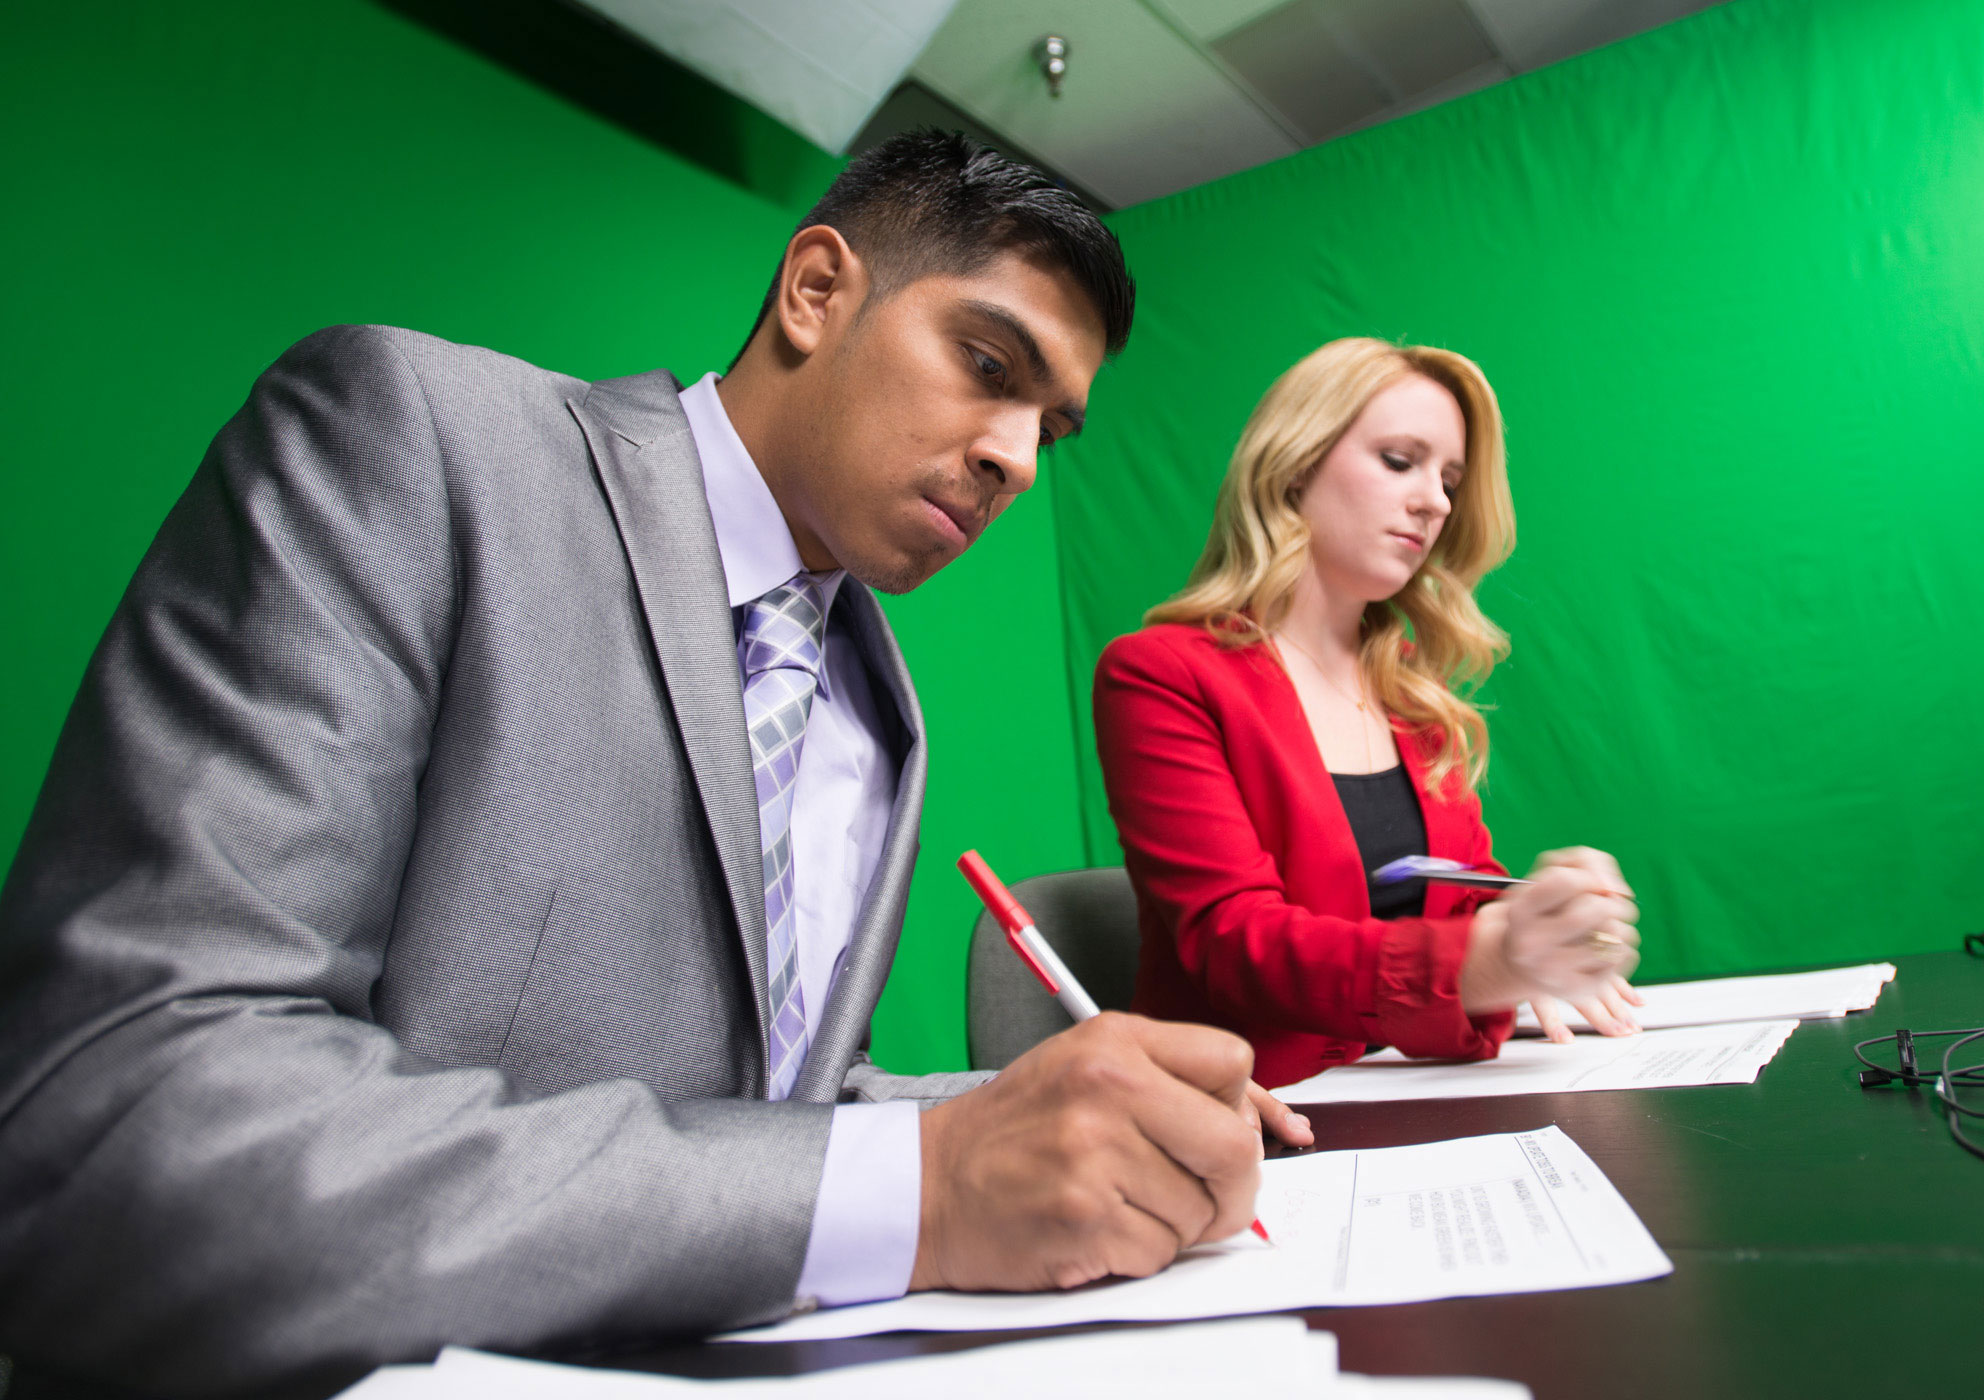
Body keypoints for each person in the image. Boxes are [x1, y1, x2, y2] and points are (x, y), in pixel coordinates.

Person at [0, 131, 1309, 1398]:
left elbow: (741, 1095)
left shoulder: (880, 705)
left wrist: (1062, 1117)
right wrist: (927, 1182)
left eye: (1053, 429)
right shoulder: (422, 441)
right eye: (985, 362)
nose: (1015, 459)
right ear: (814, 291)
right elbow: (127, 1115)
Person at [1093, 337, 1644, 1091]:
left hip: (1422, 1092)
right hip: (1249, 1117)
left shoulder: (1408, 687)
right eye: (1399, 461)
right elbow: (1235, 942)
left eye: (1449, 479)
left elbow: (1463, 892)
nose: (1436, 501)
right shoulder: (1161, 673)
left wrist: (1548, 928)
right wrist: (1494, 960)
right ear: (1292, 465)